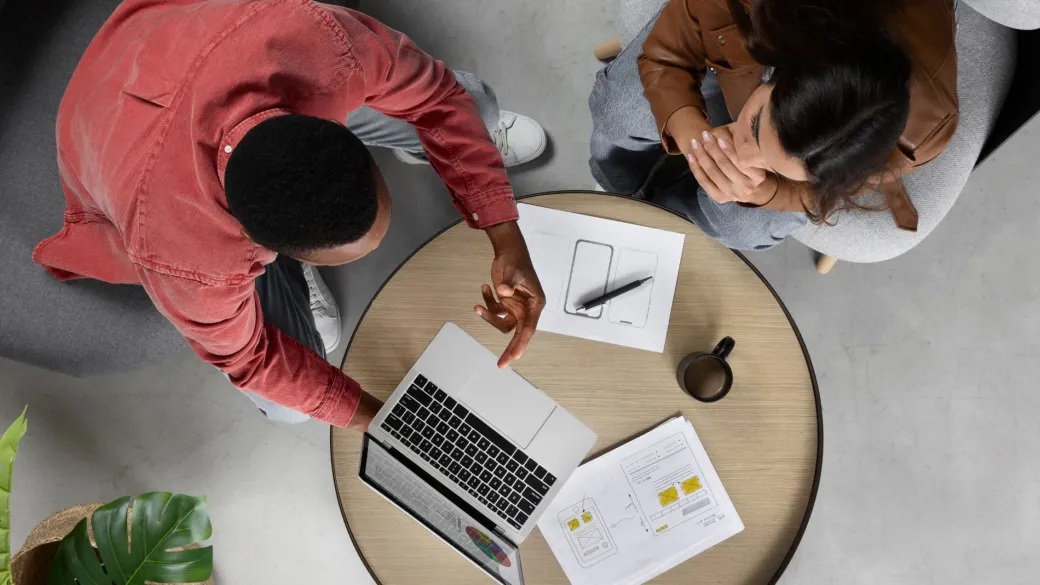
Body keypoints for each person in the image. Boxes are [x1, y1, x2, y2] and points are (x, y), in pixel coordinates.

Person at [32, 0, 549, 431]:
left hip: (182, 34)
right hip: (108, 130)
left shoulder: (314, 40)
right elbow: (250, 360)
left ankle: (438, 150)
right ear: (265, 248)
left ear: (335, 132)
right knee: (286, 410)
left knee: (470, 110)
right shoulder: (184, 257)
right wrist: (384, 421)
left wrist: (505, 233)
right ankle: (282, 279)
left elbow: (437, 97)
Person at [589, 0, 958, 250]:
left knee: (744, 226)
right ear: (788, 66)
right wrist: (689, 132)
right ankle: (617, 188)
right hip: (758, 21)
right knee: (618, 110)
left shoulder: (919, 133)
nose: (741, 158)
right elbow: (669, 52)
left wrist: (763, 192)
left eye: (769, 163)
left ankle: (657, 223)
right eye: (752, 127)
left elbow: (831, 188)